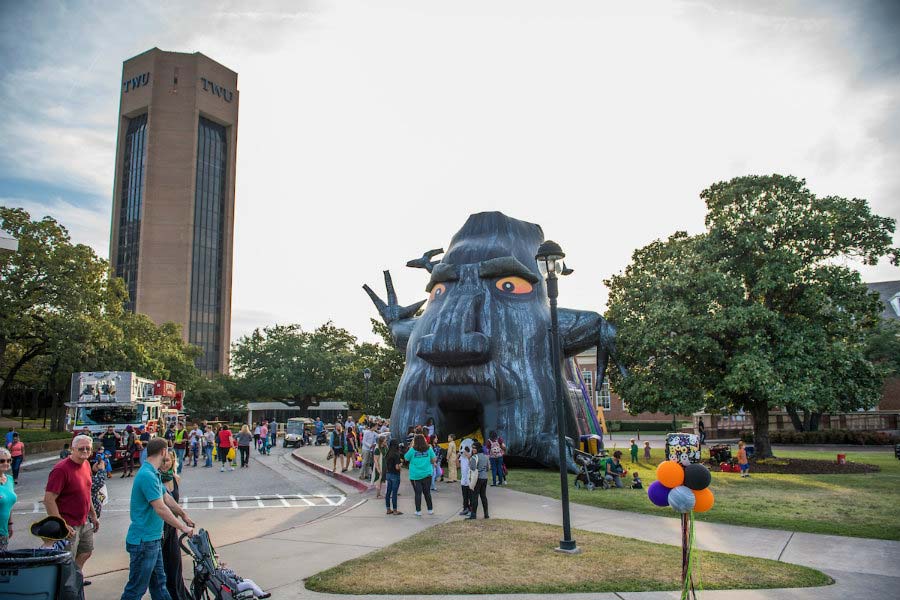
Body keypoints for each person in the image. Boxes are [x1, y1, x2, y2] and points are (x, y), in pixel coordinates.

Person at [120, 437, 194, 600]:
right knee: (135, 590)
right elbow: (160, 507)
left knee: (159, 585)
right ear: (163, 451)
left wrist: (184, 515)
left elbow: (167, 498)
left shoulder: (152, 472)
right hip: (144, 542)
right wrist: (183, 527)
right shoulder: (147, 475)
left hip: (152, 540)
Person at [45, 434, 99, 575]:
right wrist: (61, 524)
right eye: (81, 448)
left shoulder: (86, 465)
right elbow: (49, 499)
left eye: (88, 448)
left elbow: (87, 492)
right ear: (72, 449)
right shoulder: (61, 470)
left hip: (84, 521)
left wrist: (93, 515)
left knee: (86, 551)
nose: (85, 451)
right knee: (67, 557)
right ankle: (67, 585)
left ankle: (75, 576)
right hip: (68, 524)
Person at [159, 449, 191, 600]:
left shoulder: (175, 478)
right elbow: (165, 502)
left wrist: (183, 517)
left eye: (167, 461)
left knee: (175, 564)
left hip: (173, 527)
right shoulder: (155, 478)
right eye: (162, 460)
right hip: (160, 527)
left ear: (173, 461)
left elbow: (173, 502)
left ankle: (179, 595)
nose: (164, 464)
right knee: (161, 567)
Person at [403, 433, 436, 516]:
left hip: (415, 475)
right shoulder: (429, 449)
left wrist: (411, 447)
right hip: (427, 473)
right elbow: (434, 459)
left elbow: (406, 458)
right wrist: (429, 462)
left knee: (418, 493)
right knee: (427, 492)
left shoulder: (412, 450)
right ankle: (430, 509)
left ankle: (418, 511)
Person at [468, 440, 489, 519]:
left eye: (474, 448)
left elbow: (472, 468)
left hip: (477, 479)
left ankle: (473, 515)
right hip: (485, 478)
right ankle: (486, 514)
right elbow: (487, 468)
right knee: (483, 496)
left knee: (475, 496)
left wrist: (469, 461)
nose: (473, 449)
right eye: (472, 448)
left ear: (478, 448)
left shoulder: (474, 457)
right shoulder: (485, 456)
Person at [0, 447, 16, 550]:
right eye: (2, 461)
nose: (6, 463)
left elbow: (9, 505)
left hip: (4, 532)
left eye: (9, 460)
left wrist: (10, 524)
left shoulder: (9, 479)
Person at [383, 439, 402, 515]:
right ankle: (395, 510)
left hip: (388, 474)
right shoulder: (396, 454)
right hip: (395, 474)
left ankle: (388, 509)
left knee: (388, 492)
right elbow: (397, 467)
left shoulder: (388, 453)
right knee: (394, 493)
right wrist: (401, 465)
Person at [458, 445, 472, 516]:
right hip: (463, 480)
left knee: (470, 496)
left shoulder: (471, 457)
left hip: (469, 480)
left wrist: (467, 454)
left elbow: (471, 462)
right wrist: (457, 457)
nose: (463, 452)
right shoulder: (461, 457)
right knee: (464, 496)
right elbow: (457, 466)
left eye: (465, 450)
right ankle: (465, 509)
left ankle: (471, 510)